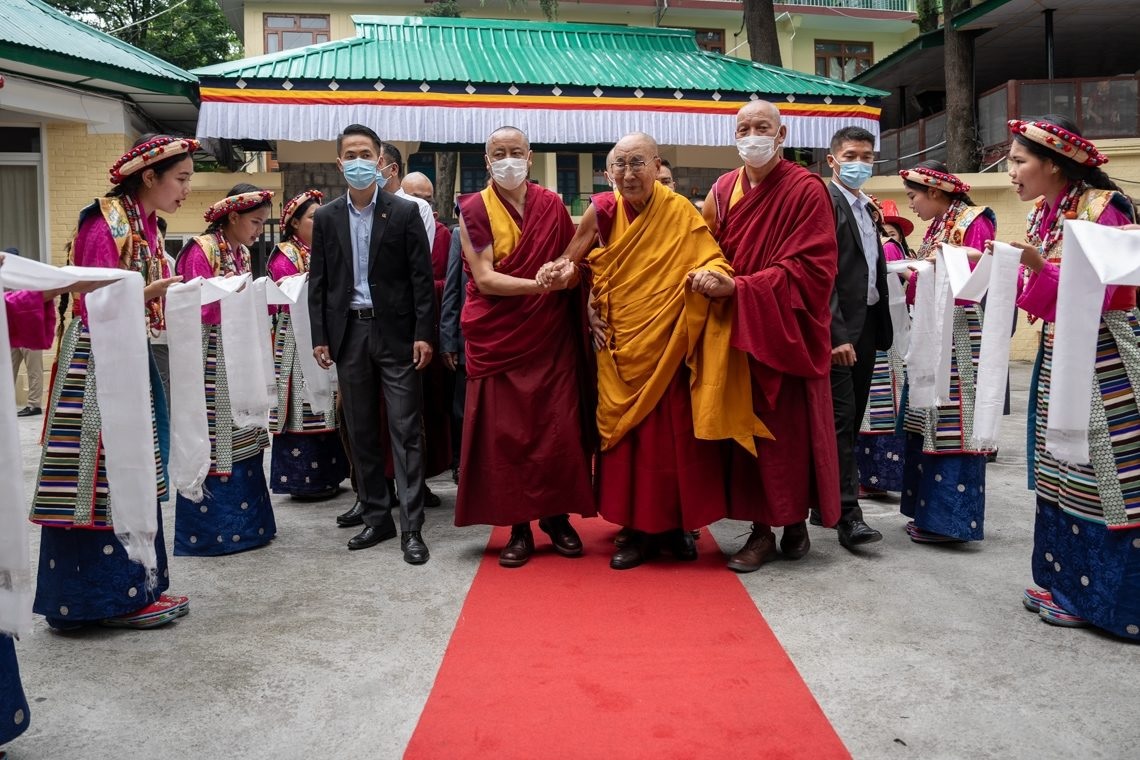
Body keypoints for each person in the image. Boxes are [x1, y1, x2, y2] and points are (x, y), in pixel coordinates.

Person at [544, 131, 770, 570]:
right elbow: (574, 261)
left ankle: (676, 526)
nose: (629, 174)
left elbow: (711, 258)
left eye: (637, 163)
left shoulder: (679, 210)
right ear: (608, 173)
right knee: (628, 443)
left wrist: (712, 276)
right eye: (620, 165)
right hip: (620, 342)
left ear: (656, 165)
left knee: (672, 441)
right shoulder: (603, 209)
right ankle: (634, 530)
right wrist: (567, 281)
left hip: (670, 339)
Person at [30, 134, 191, 630]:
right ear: (150, 176)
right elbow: (93, 301)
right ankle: (102, 599)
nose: (186, 189)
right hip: (99, 359)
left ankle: (131, 589)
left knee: (128, 466)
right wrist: (150, 292)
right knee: (99, 473)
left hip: (122, 353)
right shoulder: (106, 223)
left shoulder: (144, 225)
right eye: (181, 179)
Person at [1004, 116, 1139, 637]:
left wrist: (1040, 269)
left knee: (1102, 469)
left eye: (1018, 161)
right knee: (1060, 465)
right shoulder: (1048, 212)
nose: (1011, 171)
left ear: (1054, 165)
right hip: (1062, 352)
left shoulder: (1106, 211)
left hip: (1103, 358)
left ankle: (1107, 600)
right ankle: (1065, 582)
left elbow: (1105, 291)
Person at [696, 100, 840, 571]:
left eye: (762, 127)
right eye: (743, 127)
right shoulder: (721, 189)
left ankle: (793, 521)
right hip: (738, 329)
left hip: (786, 327)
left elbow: (813, 269)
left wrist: (741, 287)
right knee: (746, 433)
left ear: (781, 135)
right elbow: (706, 247)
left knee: (788, 434)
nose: (752, 135)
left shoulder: (806, 189)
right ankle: (760, 530)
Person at [453, 126, 595, 567]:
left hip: (549, 336)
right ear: (487, 158)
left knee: (557, 429)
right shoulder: (473, 210)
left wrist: (565, 276)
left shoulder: (552, 205)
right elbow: (486, 278)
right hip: (502, 336)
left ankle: (556, 518)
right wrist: (540, 284)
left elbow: (572, 264)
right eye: (500, 152)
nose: (508, 159)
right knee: (508, 436)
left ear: (530, 157)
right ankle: (518, 527)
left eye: (516, 152)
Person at [309, 124, 435, 564]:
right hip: (350, 334)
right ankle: (377, 517)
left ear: (380, 161)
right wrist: (320, 336)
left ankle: (412, 527)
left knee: (405, 429)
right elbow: (320, 284)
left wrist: (424, 333)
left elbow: (422, 280)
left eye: (367, 153)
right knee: (360, 430)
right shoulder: (325, 218)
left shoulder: (403, 212)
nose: (359, 160)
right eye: (351, 153)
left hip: (397, 334)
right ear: (340, 162)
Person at [174, 183, 277, 556]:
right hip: (208, 355)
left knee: (243, 431)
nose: (257, 231)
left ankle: (250, 526)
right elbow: (194, 304)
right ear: (232, 216)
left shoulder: (243, 254)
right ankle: (214, 531)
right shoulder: (199, 250)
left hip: (237, 353)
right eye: (254, 222)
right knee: (216, 436)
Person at [896, 162, 996, 544]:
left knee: (954, 419)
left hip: (959, 332)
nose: (913, 206)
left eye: (913, 197)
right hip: (934, 329)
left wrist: (944, 262)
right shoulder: (937, 227)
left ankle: (951, 521)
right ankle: (929, 514)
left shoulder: (974, 219)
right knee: (927, 418)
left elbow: (982, 271)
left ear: (934, 192)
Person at [821, 126, 892, 549]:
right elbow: (822, 273)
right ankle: (848, 515)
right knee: (841, 420)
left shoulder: (866, 207)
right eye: (851, 155)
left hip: (867, 325)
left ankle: (823, 505)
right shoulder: (825, 202)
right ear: (832, 160)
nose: (860, 164)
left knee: (850, 418)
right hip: (839, 331)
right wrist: (834, 332)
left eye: (867, 156)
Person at [267, 189, 349, 500]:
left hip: (322, 333)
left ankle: (331, 474)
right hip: (296, 340)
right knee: (303, 405)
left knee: (327, 404)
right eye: (313, 217)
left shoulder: (323, 250)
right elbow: (288, 297)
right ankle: (301, 480)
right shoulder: (284, 254)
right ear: (294, 223)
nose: (320, 222)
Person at [854, 198, 915, 499]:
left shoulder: (884, 247)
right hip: (890, 333)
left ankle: (869, 475)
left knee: (874, 405)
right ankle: (877, 476)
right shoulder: (895, 249)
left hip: (879, 334)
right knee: (883, 402)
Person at [401, 171, 454, 490]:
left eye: (428, 199)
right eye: (415, 198)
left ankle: (424, 479)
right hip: (396, 334)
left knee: (432, 408)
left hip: (430, 331)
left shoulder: (443, 234)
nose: (423, 205)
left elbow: (452, 286)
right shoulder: (393, 229)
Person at [439, 224, 466, 484]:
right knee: (462, 410)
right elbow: (452, 288)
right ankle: (460, 463)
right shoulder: (462, 231)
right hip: (467, 337)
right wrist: (447, 340)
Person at [4, 247, 44, 418]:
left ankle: (34, 405)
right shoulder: (5, 280)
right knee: (7, 369)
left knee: (34, 370)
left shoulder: (29, 279)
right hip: (13, 333)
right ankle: (4, 403)